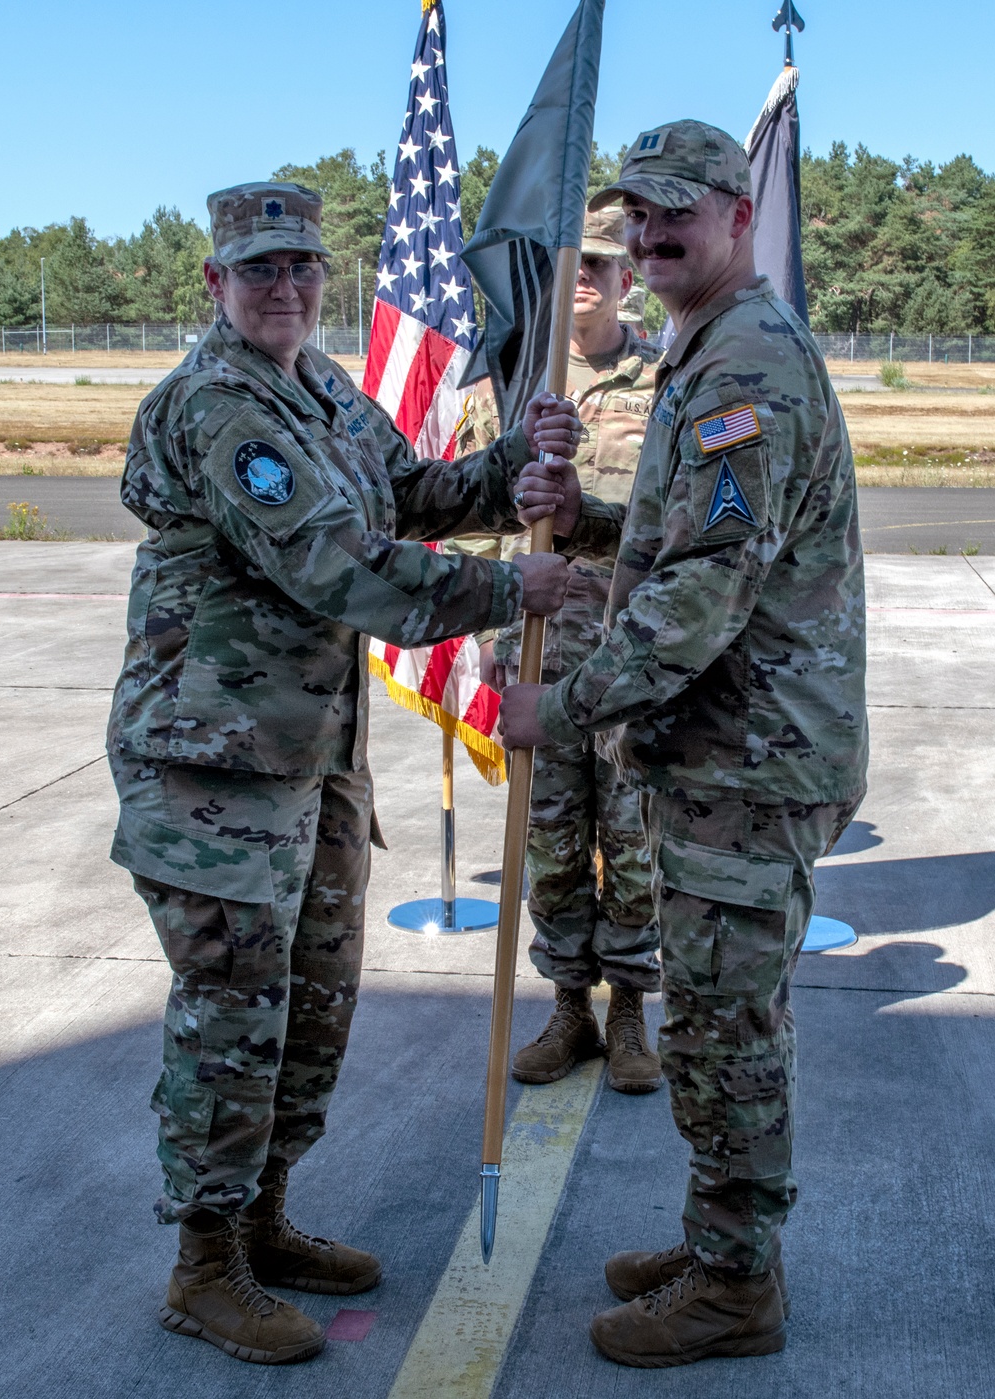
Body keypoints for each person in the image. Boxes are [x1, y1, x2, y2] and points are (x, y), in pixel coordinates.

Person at [107, 181, 576, 1367]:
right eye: (258, 270)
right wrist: (498, 590)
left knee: (311, 1004)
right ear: (214, 283)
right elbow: (334, 564)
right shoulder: (222, 404)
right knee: (233, 1015)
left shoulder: (317, 389)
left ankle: (261, 1223)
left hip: (308, 758)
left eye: (302, 266)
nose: (284, 287)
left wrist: (519, 460)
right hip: (214, 771)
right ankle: (203, 1263)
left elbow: (411, 492)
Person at [500, 122, 868, 1369]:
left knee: (725, 1032)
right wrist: (590, 515)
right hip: (728, 749)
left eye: (677, 216)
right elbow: (682, 544)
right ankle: (723, 1239)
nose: (651, 238)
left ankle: (734, 1287)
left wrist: (573, 702)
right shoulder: (706, 347)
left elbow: (704, 590)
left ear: (735, 216)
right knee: (718, 1020)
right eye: (638, 217)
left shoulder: (742, 367)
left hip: (747, 759)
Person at [454, 210, 664, 1095]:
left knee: (634, 835)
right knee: (549, 835)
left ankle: (628, 1011)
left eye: (607, 264)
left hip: (633, 654)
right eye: (576, 263)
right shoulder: (512, 381)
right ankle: (570, 1004)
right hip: (540, 649)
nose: (589, 278)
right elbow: (475, 522)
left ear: (628, 280)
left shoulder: (667, 380)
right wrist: (494, 637)